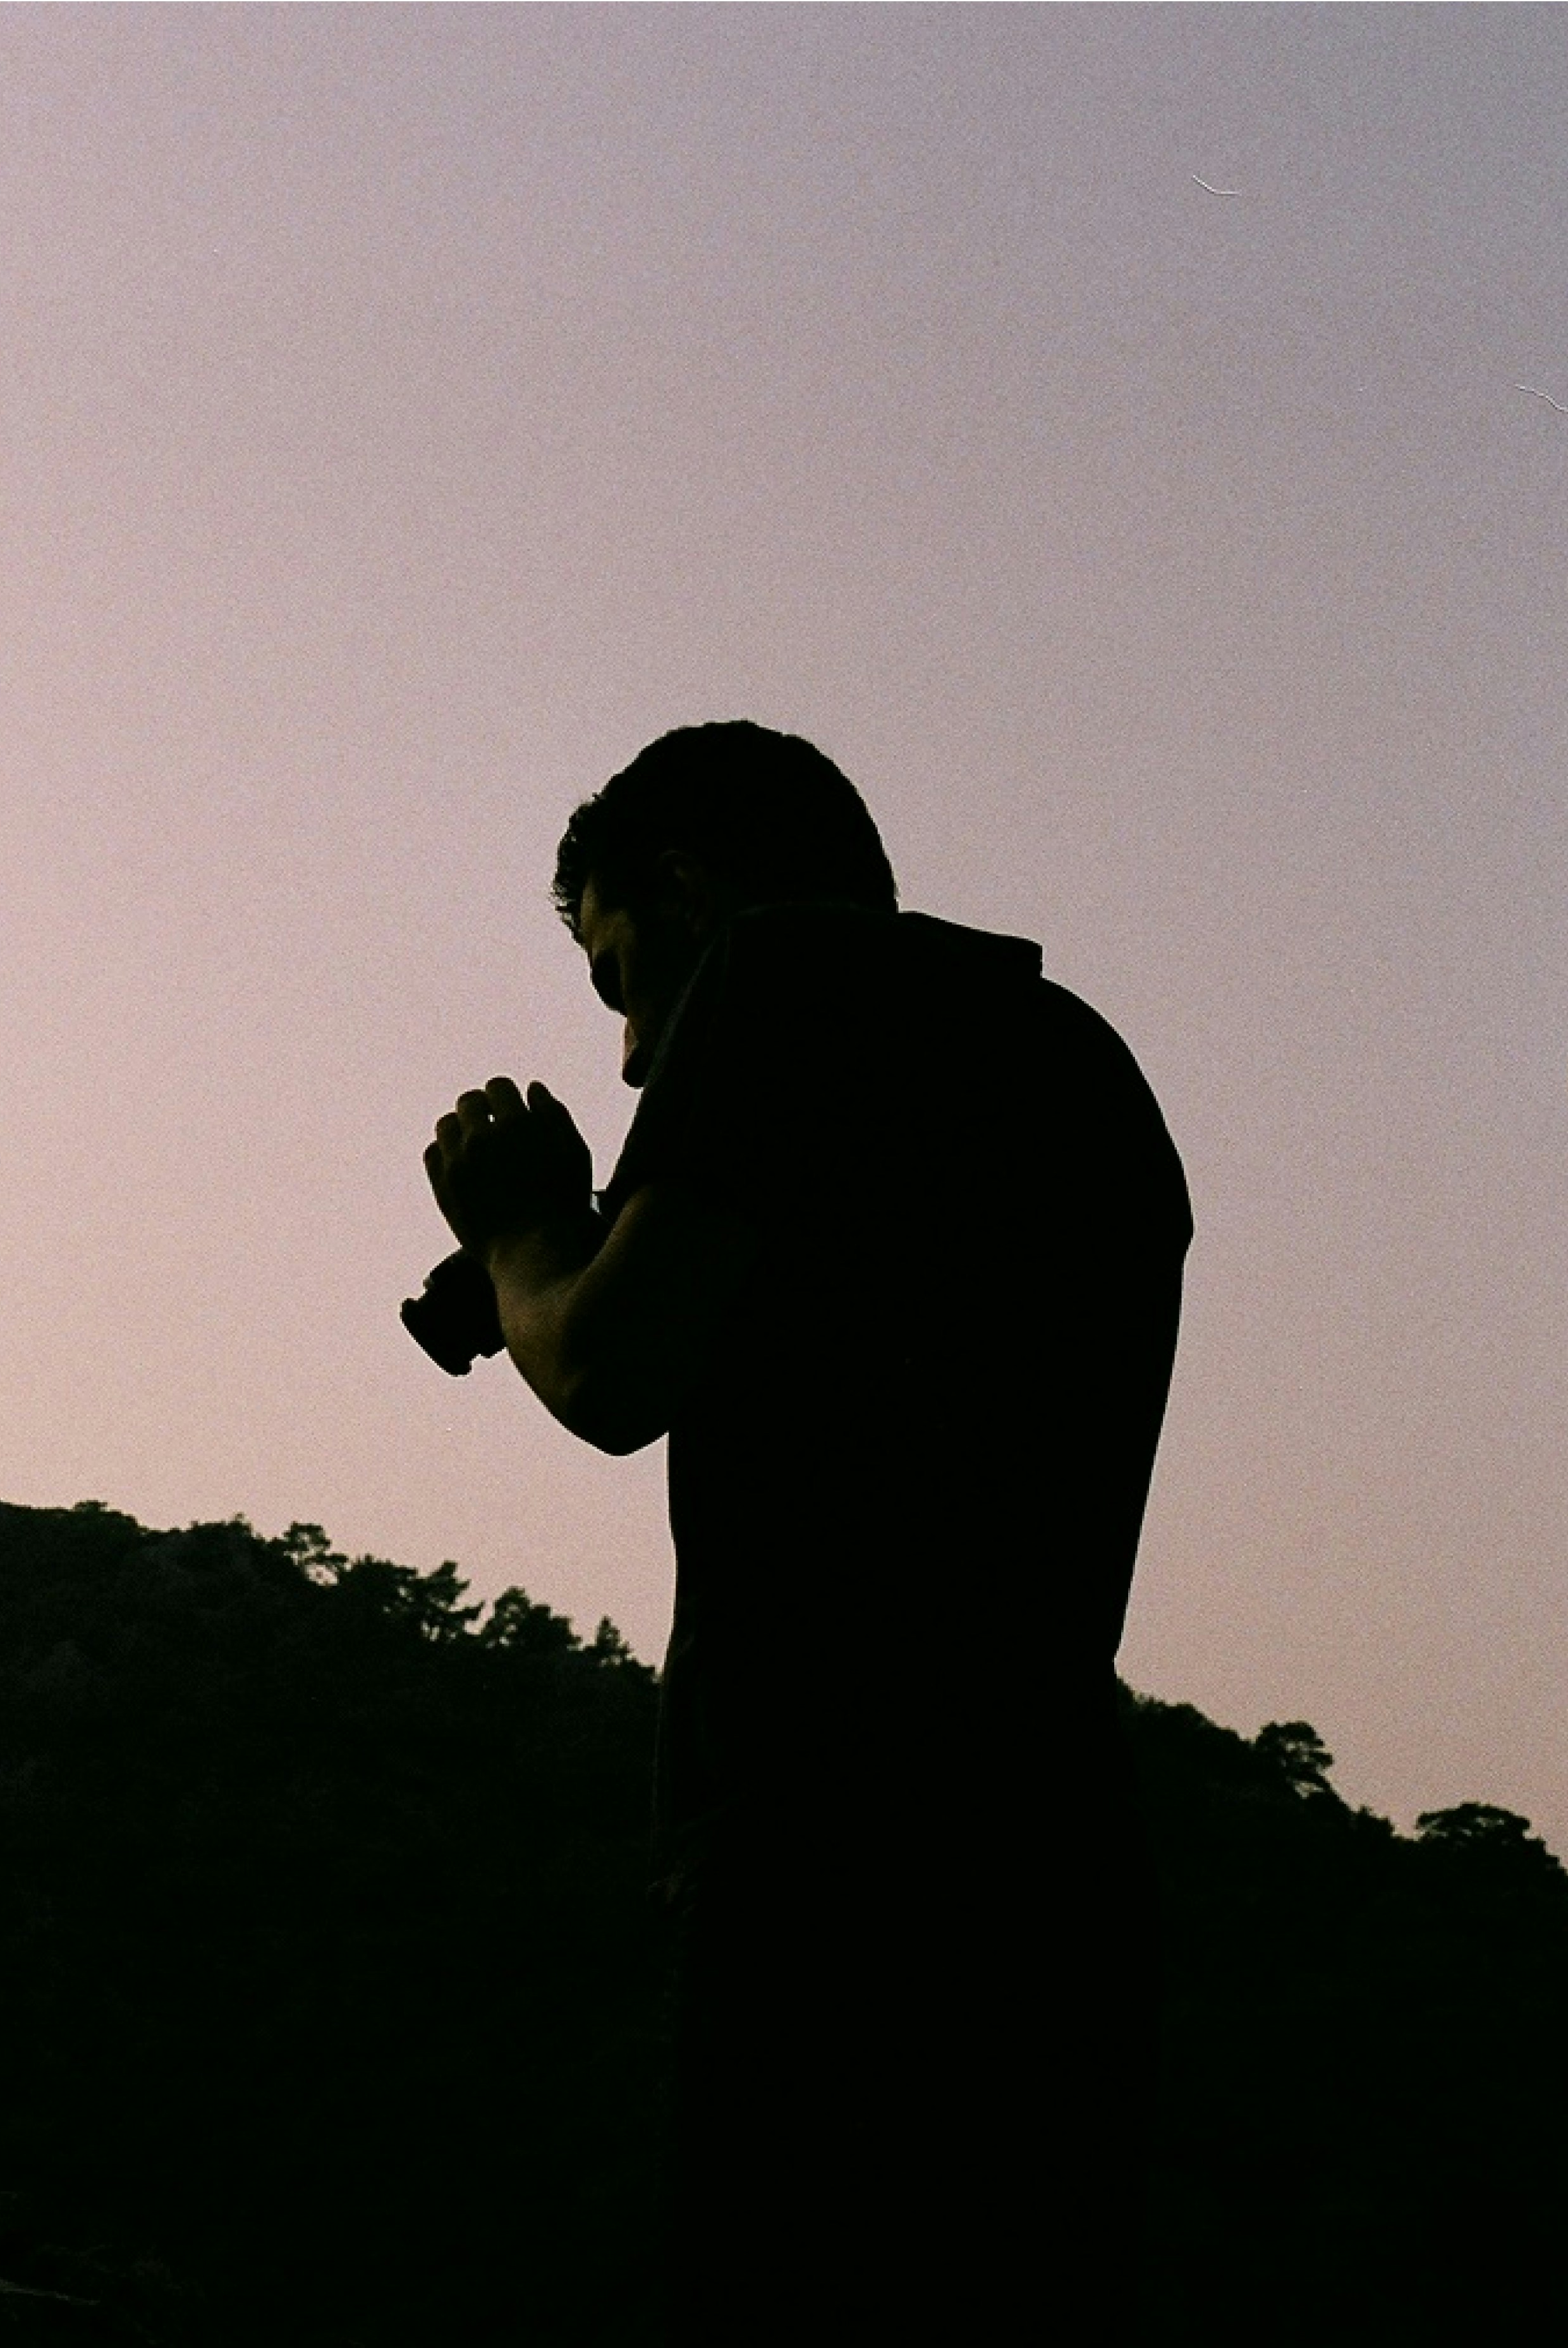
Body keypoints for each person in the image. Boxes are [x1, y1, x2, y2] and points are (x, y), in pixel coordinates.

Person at [420, 721, 1190, 2343]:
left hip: (822, 1856)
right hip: (1060, 1857)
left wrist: (516, 1230)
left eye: (624, 975)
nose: (632, 1053)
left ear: (697, 892)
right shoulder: (1077, 1062)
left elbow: (611, 1366)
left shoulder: (783, 987)